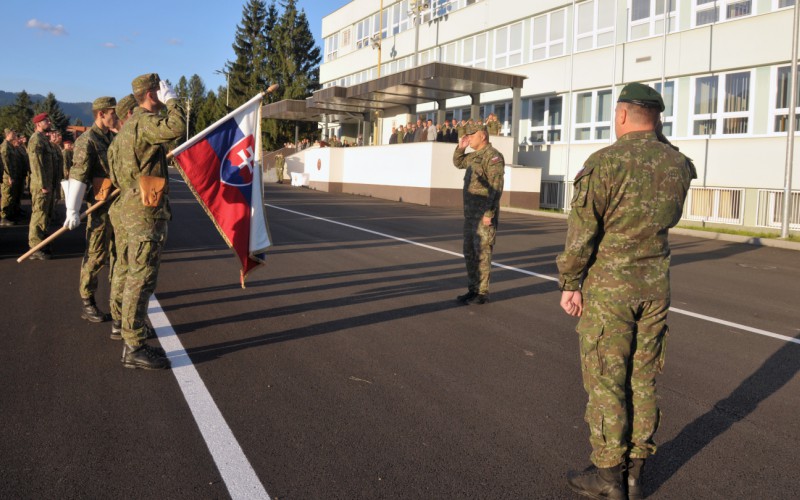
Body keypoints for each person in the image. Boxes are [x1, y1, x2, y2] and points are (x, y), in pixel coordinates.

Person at [556, 83, 696, 500]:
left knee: (606, 379)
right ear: (657, 118)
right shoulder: (678, 164)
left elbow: (581, 233)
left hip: (610, 290)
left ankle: (607, 476)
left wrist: (570, 282)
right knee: (643, 379)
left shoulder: (605, 163)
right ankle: (635, 474)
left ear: (620, 115)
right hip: (654, 287)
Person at [108, 73, 185, 370]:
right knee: (141, 279)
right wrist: (173, 100)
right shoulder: (144, 122)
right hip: (144, 212)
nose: (163, 94)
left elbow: (116, 174)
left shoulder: (124, 133)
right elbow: (177, 126)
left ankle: (128, 329)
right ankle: (134, 346)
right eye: (160, 90)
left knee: (131, 274)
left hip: (128, 209)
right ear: (152, 94)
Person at [64, 96, 118, 324]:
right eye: (112, 113)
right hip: (98, 207)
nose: (115, 116)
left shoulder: (112, 137)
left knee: (117, 253)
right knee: (96, 255)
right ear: (101, 114)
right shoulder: (87, 140)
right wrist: (72, 209)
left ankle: (118, 301)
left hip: (116, 204)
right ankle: (87, 301)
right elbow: (78, 175)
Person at [453, 123, 505, 305]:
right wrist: (461, 148)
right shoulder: (474, 156)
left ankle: (482, 292)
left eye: (471, 135)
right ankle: (472, 289)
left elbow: (496, 187)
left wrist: (489, 213)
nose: (468, 138)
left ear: (482, 136)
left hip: (483, 216)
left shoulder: (493, 157)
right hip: (470, 216)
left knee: (482, 254)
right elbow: (458, 163)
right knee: (469, 252)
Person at [26, 113, 55, 260]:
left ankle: (42, 242)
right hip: (41, 185)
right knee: (39, 214)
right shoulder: (36, 140)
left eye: (48, 121)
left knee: (45, 215)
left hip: (47, 183)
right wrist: (43, 184)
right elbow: (36, 164)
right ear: (38, 124)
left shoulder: (43, 139)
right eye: (46, 121)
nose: (49, 123)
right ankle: (35, 247)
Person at [1, 129, 22, 226]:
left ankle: (10, 214)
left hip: (13, 174)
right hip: (7, 176)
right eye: (13, 133)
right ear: (8, 134)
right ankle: (4, 217)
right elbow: (5, 162)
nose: (15, 135)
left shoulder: (10, 146)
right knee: (7, 195)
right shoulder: (5, 146)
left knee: (11, 195)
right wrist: (9, 175)